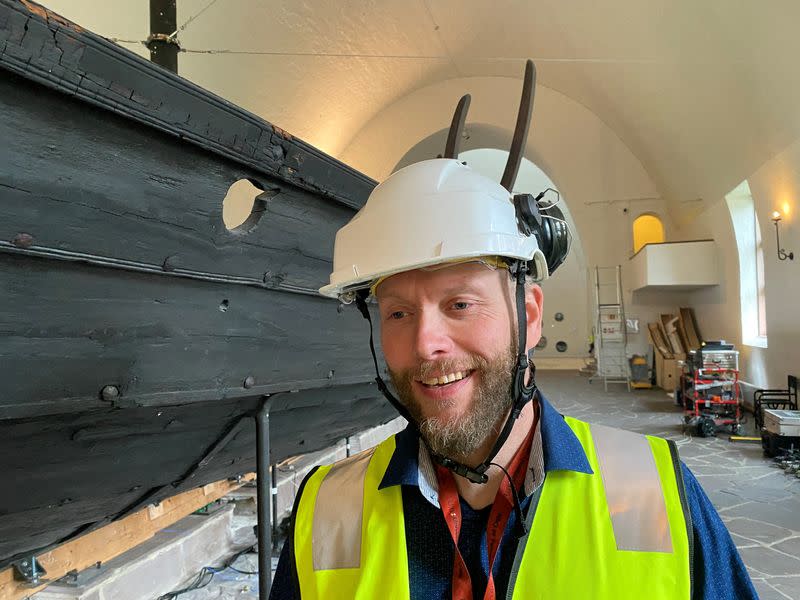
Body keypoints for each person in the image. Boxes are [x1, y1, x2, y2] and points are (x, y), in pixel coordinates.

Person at [270, 61, 756, 598]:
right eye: (398, 313)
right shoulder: (328, 513)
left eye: (459, 304)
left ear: (529, 315)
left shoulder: (653, 496)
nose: (426, 343)